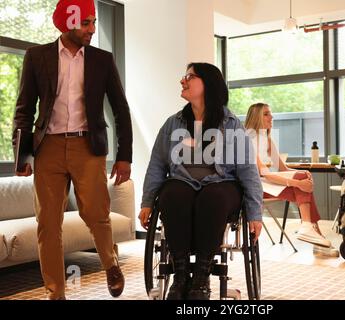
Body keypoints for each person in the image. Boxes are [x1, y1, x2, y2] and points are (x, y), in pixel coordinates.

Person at [12, 0, 133, 300]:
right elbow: (24, 110)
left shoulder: (102, 60)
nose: (93, 29)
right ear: (69, 22)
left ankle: (110, 262)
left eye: (94, 22)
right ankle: (57, 294)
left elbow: (120, 109)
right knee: (48, 225)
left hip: (88, 146)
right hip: (48, 148)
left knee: (95, 213)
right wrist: (22, 154)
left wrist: (124, 156)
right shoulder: (37, 56)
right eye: (87, 23)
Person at [138, 63, 263, 300]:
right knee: (172, 193)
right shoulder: (173, 123)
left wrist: (254, 213)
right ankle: (181, 275)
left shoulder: (231, 124)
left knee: (211, 197)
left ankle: (202, 276)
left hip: (222, 185)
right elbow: (157, 165)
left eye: (189, 76)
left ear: (208, 84)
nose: (182, 81)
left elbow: (248, 171)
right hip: (183, 183)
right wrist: (146, 202)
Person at [244, 103, 338, 255]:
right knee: (301, 184)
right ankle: (313, 232)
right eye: (266, 114)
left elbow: (283, 169)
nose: (271, 117)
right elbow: (264, 173)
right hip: (254, 188)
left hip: (266, 183)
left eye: (271, 113)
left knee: (303, 179)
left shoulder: (267, 140)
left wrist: (303, 173)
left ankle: (311, 231)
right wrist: (297, 182)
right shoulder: (246, 140)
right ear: (256, 117)